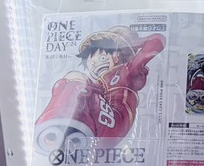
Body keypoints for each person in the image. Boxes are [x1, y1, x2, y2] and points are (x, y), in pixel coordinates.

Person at [34, 25, 166, 153]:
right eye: (92, 63)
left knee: (76, 78)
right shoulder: (97, 86)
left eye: (103, 58)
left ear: (117, 56)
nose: (97, 64)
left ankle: (57, 122)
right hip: (98, 132)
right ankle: (61, 133)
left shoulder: (126, 71)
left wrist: (134, 43)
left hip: (114, 121)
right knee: (66, 84)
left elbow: (158, 40)